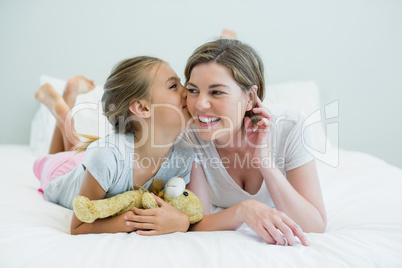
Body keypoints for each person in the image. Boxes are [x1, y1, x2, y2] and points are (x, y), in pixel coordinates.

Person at [182, 34, 327, 246]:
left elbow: (315, 226)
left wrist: (265, 161)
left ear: (250, 98)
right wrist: (243, 210)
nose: (200, 104)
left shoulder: (291, 126)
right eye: (193, 90)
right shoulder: (189, 134)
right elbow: (198, 223)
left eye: (217, 92)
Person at [33, 56, 194, 235]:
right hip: (61, 172)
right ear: (142, 108)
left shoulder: (184, 155)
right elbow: (78, 227)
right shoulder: (105, 157)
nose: (188, 91)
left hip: (97, 164)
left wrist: (183, 220)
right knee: (60, 157)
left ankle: (65, 109)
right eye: (173, 86)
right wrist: (137, 221)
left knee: (80, 151)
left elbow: (183, 207)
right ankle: (63, 113)